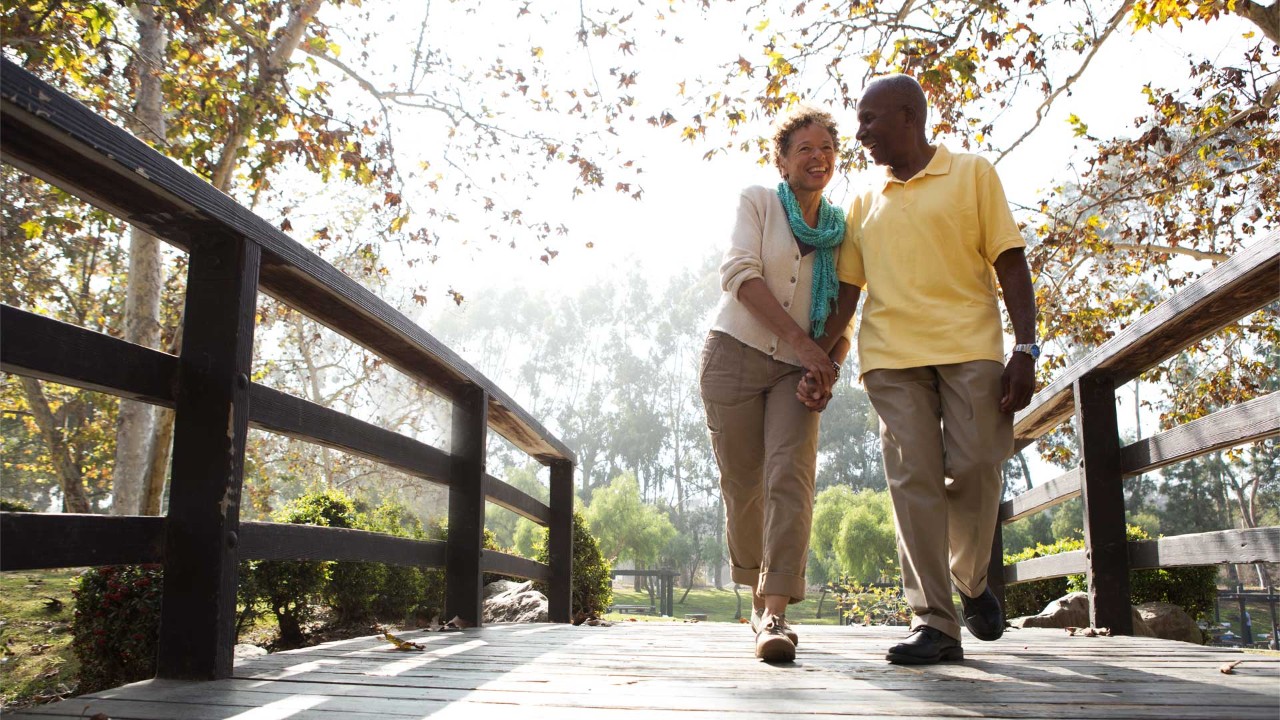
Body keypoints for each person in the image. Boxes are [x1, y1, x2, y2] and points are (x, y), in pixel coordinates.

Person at [800, 74, 1038, 665]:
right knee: (915, 484)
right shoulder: (863, 202)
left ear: (908, 115)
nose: (859, 134)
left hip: (971, 347)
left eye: (870, 120)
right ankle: (935, 621)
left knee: (979, 466)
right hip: (892, 359)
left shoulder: (972, 173)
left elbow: (1010, 262)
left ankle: (971, 580)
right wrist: (821, 361)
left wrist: (1026, 349)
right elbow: (848, 296)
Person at [700, 106, 854, 663]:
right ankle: (753, 590)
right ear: (783, 161)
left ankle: (774, 613)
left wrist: (826, 366)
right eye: (805, 149)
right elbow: (740, 274)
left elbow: (844, 309)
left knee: (791, 477)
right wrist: (806, 347)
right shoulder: (759, 202)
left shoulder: (842, 228)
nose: (819, 157)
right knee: (744, 485)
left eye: (828, 148)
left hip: (799, 370)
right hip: (732, 358)